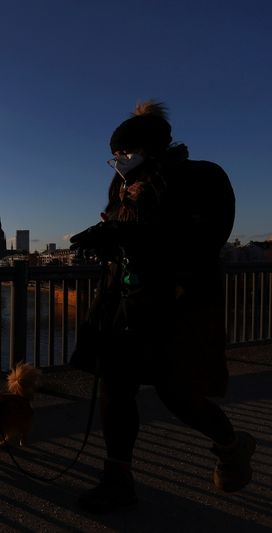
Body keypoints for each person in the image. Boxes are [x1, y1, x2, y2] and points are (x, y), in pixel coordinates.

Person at [70, 101, 256, 514]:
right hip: (125, 300)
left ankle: (232, 444)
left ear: (151, 148)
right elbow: (126, 231)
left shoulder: (202, 178)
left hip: (177, 304)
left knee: (178, 392)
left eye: (124, 153)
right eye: (114, 156)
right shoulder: (121, 186)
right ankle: (117, 481)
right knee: (116, 388)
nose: (118, 162)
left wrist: (126, 236)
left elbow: (201, 243)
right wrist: (106, 234)